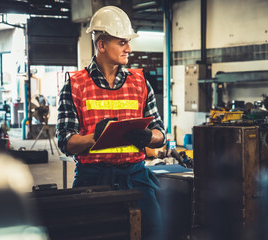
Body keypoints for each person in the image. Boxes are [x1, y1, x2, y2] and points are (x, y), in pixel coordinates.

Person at [56, 6, 166, 239]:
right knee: (94, 234)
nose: (129, 48)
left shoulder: (140, 83)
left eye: (128, 42)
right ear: (102, 45)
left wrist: (149, 137)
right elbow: (65, 141)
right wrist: (96, 137)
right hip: (93, 178)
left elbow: (160, 134)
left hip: (136, 176)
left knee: (155, 231)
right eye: (122, 42)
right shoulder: (75, 85)